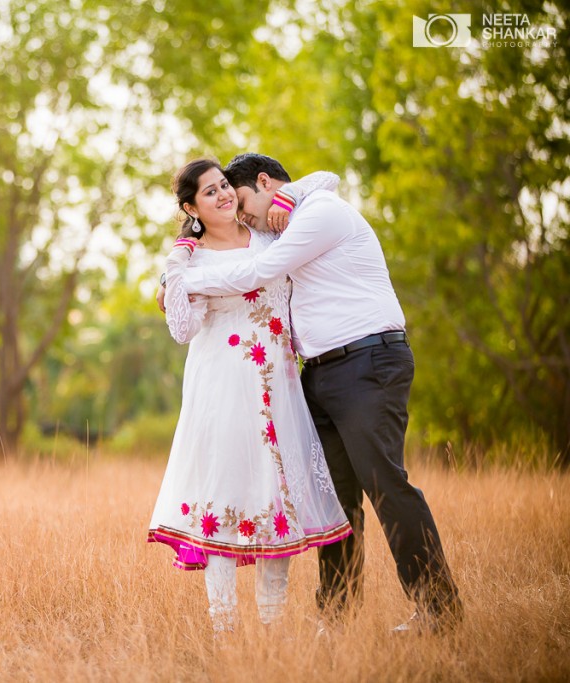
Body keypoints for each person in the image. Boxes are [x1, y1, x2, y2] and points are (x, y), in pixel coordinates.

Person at [169, 153, 463, 634]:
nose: (244, 217)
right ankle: (336, 619)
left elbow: (256, 271)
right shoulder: (289, 212)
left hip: (367, 360)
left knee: (386, 486)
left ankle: (438, 609)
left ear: (265, 183)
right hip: (320, 374)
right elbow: (318, 177)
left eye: (243, 204)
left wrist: (179, 278)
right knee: (336, 503)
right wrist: (289, 193)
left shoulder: (319, 213)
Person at [147, 158, 352, 635]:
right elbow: (183, 330)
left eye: (224, 186)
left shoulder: (268, 236)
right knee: (225, 497)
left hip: (278, 389)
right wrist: (174, 268)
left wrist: (284, 196)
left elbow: (326, 180)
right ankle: (224, 629)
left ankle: (272, 629)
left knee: (273, 499)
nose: (222, 195)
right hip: (222, 390)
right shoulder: (190, 258)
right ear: (190, 207)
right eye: (210, 192)